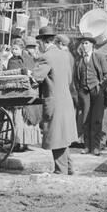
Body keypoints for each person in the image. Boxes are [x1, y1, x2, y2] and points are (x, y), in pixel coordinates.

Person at [31, 26, 78, 175]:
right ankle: (68, 168)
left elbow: (36, 78)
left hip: (54, 101)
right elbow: (70, 78)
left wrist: (29, 74)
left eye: (39, 43)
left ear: (43, 42)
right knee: (63, 135)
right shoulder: (65, 55)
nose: (39, 46)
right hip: (65, 99)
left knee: (56, 135)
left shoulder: (46, 57)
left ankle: (61, 171)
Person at [7, 38, 42, 152]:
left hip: (26, 91)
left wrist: (26, 73)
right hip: (14, 91)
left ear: (21, 49)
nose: (14, 51)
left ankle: (24, 143)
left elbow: (33, 73)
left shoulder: (28, 59)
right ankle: (17, 142)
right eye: (12, 49)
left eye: (16, 49)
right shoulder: (11, 60)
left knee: (23, 118)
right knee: (16, 118)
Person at [74, 33, 107, 156]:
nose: (84, 45)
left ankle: (96, 147)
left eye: (86, 43)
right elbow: (76, 78)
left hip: (97, 91)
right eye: (82, 43)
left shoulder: (99, 56)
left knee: (97, 119)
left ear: (92, 45)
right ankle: (87, 146)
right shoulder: (79, 60)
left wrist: (100, 86)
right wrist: (80, 90)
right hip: (84, 92)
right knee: (85, 119)